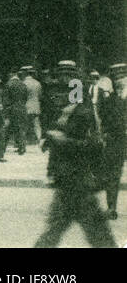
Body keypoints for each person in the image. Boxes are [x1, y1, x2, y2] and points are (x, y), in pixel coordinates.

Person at [34, 65, 116, 248]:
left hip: (78, 181)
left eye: (67, 84)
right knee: (96, 234)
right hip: (71, 182)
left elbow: (94, 145)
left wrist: (61, 141)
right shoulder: (65, 115)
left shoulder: (82, 114)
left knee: (91, 234)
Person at [101, 63, 127, 220]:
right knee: (113, 173)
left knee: (112, 174)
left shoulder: (109, 99)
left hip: (116, 139)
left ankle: (111, 207)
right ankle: (111, 207)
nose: (120, 81)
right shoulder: (109, 99)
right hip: (116, 138)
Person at [2, 69, 29, 156]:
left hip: (11, 109)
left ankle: (2, 147)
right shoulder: (23, 84)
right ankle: (22, 147)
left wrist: (5, 110)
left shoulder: (8, 84)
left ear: (11, 74)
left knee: (7, 129)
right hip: (22, 108)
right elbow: (25, 97)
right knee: (21, 128)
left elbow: (6, 99)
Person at [22, 65, 43, 144]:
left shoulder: (23, 83)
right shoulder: (38, 83)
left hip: (26, 106)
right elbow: (40, 95)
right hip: (35, 106)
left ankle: (22, 142)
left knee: (24, 125)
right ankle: (39, 139)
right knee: (36, 124)